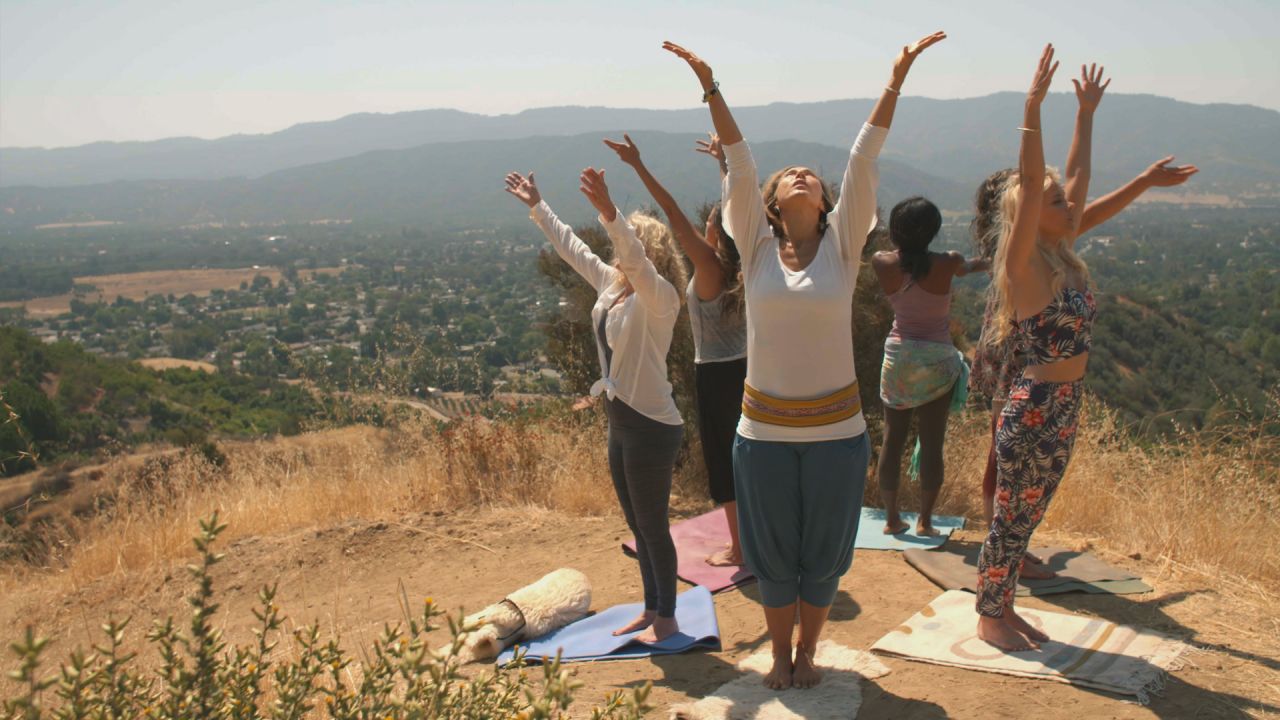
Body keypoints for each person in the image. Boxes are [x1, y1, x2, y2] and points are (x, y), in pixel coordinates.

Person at [664, 31, 945, 689]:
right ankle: (780, 650)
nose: (801, 176)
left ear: (826, 203)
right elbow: (738, 160)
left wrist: (895, 78)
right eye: (788, 174)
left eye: (810, 176)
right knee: (772, 555)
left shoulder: (845, 247)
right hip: (760, 437)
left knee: (822, 556)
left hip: (836, 437)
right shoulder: (757, 250)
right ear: (768, 203)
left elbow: (862, 159)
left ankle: (807, 653)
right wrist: (710, 85)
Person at [970, 157, 1197, 579]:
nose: (1066, 204)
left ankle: (1008, 552)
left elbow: (1080, 180)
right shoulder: (1023, 251)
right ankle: (1003, 556)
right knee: (1003, 468)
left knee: (1020, 473)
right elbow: (1079, 181)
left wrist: (1138, 173)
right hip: (1019, 362)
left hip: (1037, 362)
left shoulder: (1050, 245)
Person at [504, 167, 686, 643]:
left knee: (653, 525)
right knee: (637, 525)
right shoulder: (613, 285)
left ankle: (667, 620)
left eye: (628, 246)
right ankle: (652, 609)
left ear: (648, 251)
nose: (616, 254)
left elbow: (635, 260)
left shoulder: (660, 297)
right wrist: (537, 206)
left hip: (650, 426)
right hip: (619, 422)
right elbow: (574, 251)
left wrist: (609, 212)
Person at [975, 46, 1108, 651]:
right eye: (1054, 202)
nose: (1067, 204)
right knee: (1008, 517)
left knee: (1028, 516)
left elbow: (1072, 180)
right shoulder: (1025, 262)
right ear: (1030, 214)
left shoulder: (1061, 256)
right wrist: (1032, 111)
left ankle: (1004, 607)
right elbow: (1037, 183)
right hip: (1033, 404)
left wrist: (1085, 116)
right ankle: (989, 616)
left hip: (1065, 401)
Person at [602, 131, 748, 567]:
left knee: (725, 459)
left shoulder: (710, 268)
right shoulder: (748, 267)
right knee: (751, 452)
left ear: (713, 233)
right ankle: (756, 539)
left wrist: (638, 166)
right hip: (752, 369)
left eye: (709, 222)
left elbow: (670, 212)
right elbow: (740, 216)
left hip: (719, 376)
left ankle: (740, 550)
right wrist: (725, 167)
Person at [872, 196, 988, 537]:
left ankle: (892, 520)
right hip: (938, 361)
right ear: (934, 231)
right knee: (932, 443)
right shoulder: (948, 262)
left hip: (899, 359)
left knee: (892, 440)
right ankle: (925, 521)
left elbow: (882, 252)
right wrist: (998, 257)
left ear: (895, 230)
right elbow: (970, 267)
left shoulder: (882, 263)